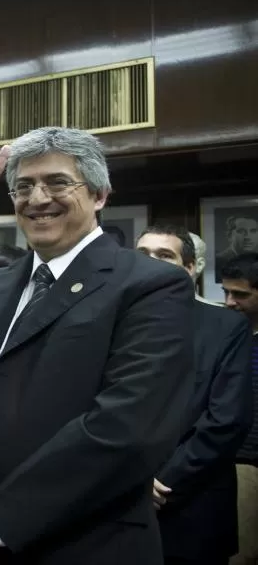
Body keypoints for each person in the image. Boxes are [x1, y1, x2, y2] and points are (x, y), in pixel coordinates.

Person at [0, 129, 194, 565]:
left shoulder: (150, 285)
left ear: (99, 195)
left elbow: (127, 426)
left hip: (78, 538)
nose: (37, 198)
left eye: (57, 183)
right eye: (23, 186)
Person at [136, 226, 252, 565]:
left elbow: (227, 420)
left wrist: (162, 481)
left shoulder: (225, 327)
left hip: (192, 506)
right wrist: (130, 479)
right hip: (119, 507)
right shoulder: (112, 322)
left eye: (165, 256)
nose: (152, 263)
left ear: (189, 269)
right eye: (143, 255)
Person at [220, 253, 258, 565]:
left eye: (241, 294)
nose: (230, 302)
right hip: (240, 462)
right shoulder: (229, 336)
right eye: (226, 293)